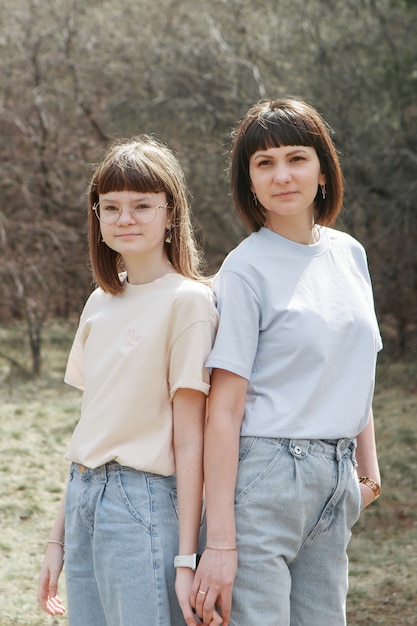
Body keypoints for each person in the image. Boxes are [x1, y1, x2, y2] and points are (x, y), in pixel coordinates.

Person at [191, 97, 382, 626]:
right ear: (249, 182)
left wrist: (368, 471)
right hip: (266, 480)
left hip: (335, 480)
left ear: (323, 169)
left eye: (296, 158)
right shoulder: (245, 269)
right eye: (264, 163)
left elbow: (357, 365)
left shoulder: (350, 254)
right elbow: (223, 412)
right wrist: (222, 544)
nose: (282, 176)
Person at [36, 135, 221, 626]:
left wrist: (186, 559)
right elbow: (91, 428)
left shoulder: (190, 302)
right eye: (111, 207)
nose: (125, 219)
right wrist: (58, 538)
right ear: (97, 216)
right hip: (83, 499)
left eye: (142, 205)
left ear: (170, 213)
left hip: (142, 504)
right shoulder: (99, 302)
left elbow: (190, 438)